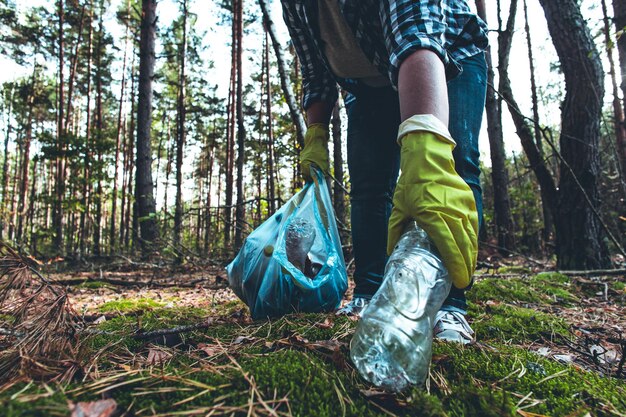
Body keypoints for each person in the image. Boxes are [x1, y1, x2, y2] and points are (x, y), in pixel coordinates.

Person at [281, 0, 488, 344]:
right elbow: (316, 71)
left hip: (446, 53)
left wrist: (426, 144)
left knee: (449, 167)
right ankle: (369, 292)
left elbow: (415, 33)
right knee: (368, 186)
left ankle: (450, 305)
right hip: (366, 83)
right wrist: (315, 132)